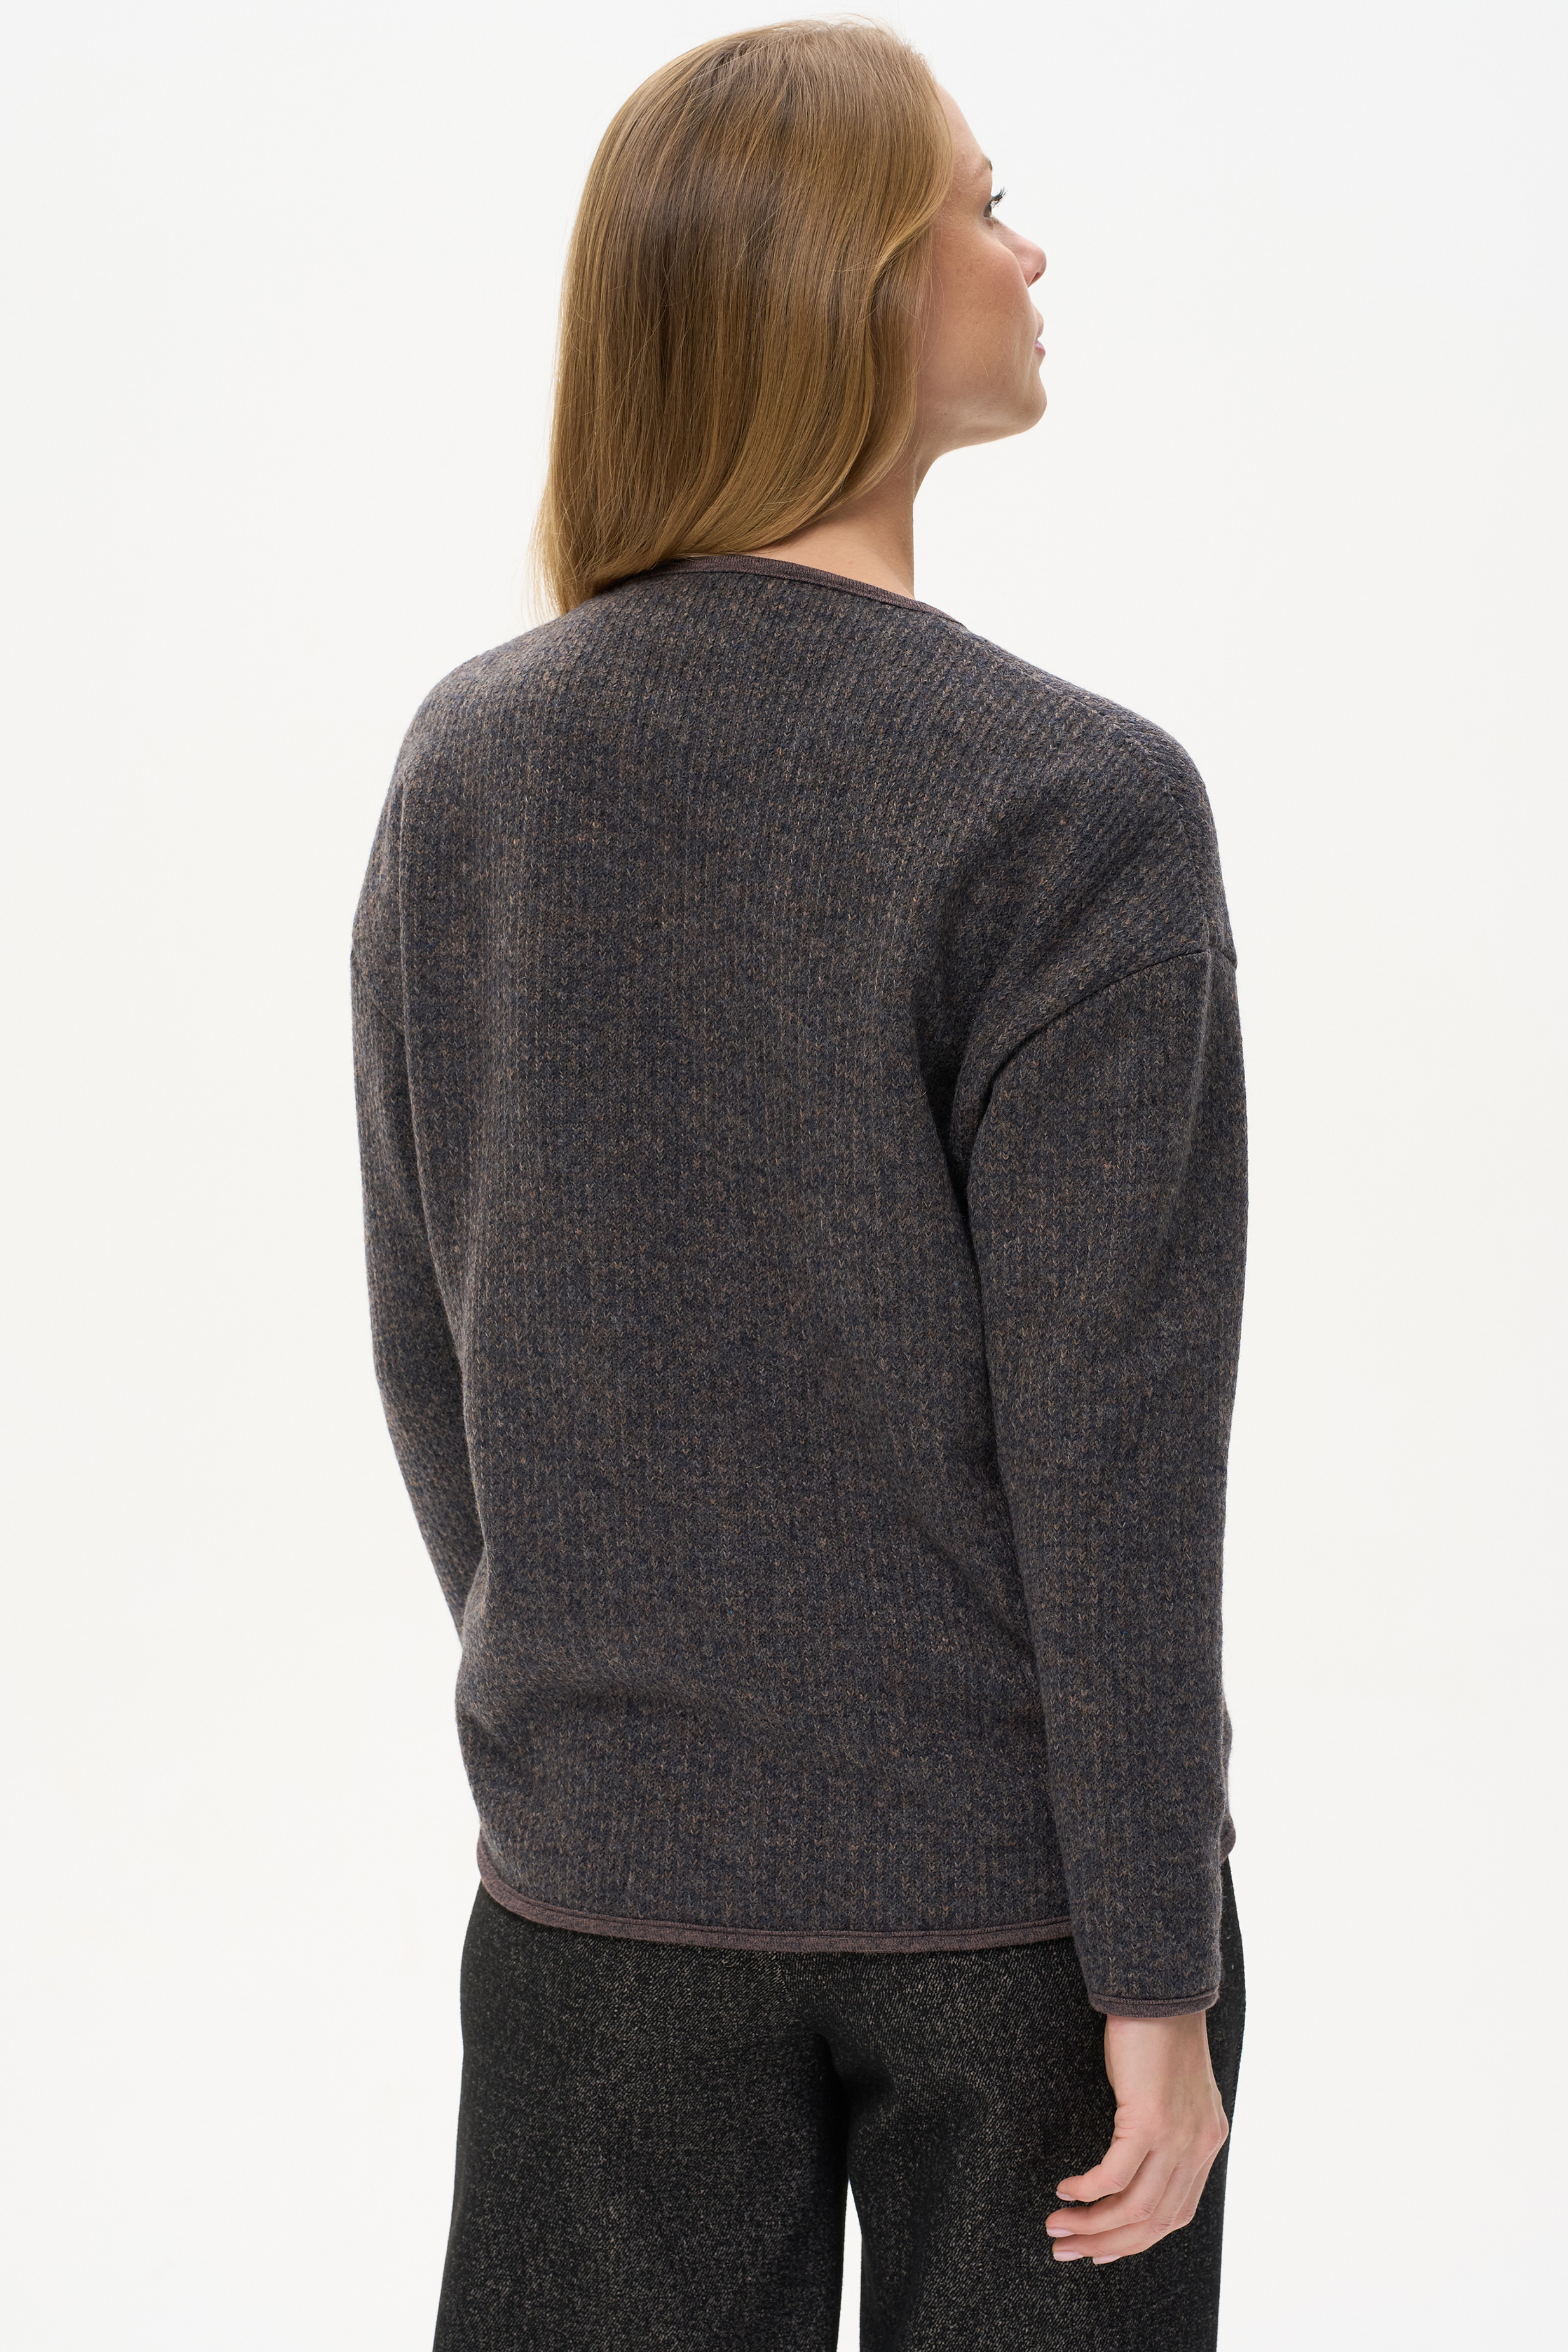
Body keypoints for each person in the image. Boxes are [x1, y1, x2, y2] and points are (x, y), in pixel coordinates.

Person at [350, 18, 1248, 2349]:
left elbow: (435, 1335)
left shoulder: (471, 766)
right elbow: (1114, 1446)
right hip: (1012, 1920)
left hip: (599, 1895)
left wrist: (592, 1717)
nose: (1026, 254)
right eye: (981, 205)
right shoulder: (1069, 805)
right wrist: (1160, 1967)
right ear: (852, 279)